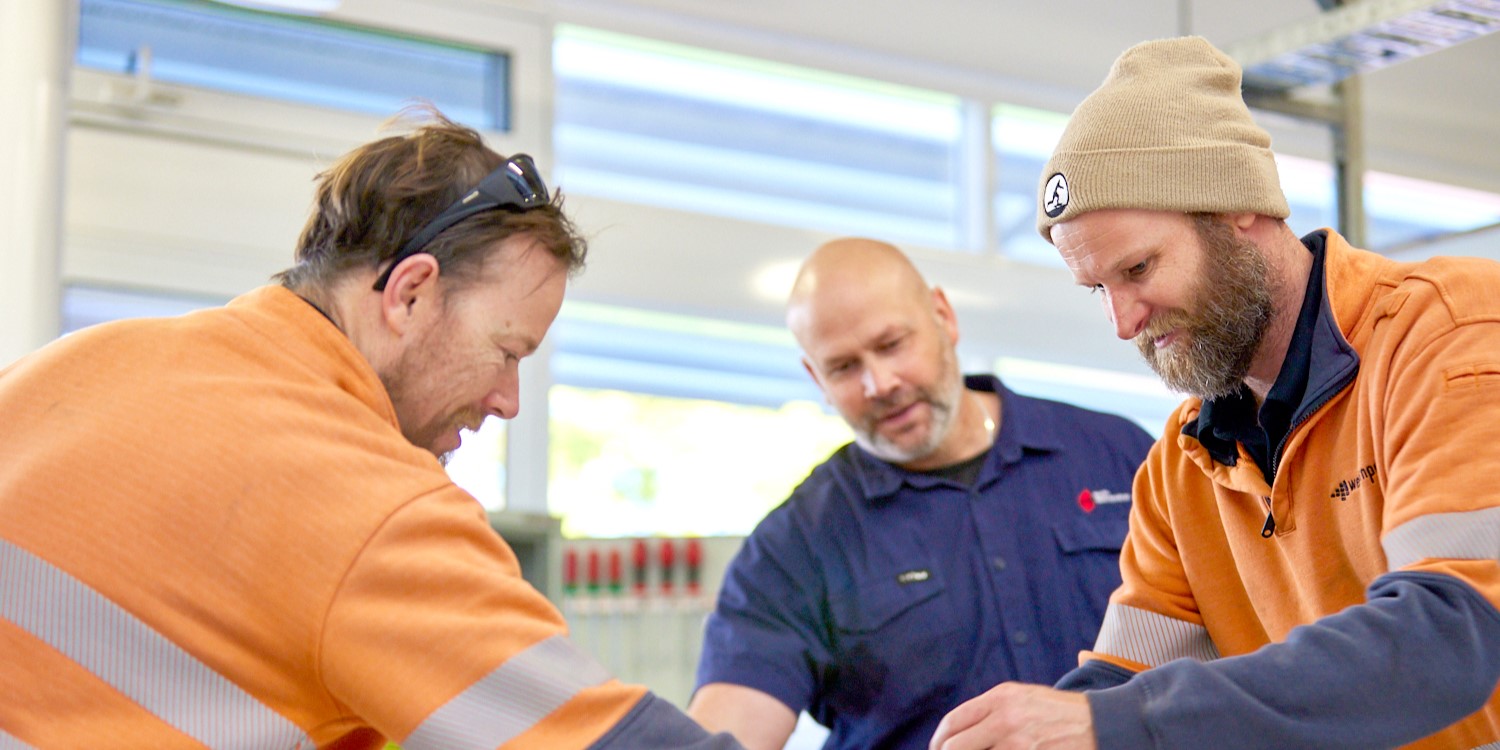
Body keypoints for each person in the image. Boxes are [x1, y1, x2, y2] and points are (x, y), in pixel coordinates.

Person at [0, 108, 740, 749]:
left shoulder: (70, 365)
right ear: (411, 293)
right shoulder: (369, 506)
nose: (508, 400)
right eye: (507, 352)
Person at [930, 36, 1500, 750]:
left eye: (1138, 267)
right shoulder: (1182, 464)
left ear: (1237, 207)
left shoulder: (1449, 335)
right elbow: (1123, 679)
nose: (1122, 322)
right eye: (1098, 289)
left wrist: (1119, 724)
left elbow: (1451, 640)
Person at [688, 238, 1155, 750]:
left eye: (891, 345)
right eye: (844, 367)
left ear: (943, 317)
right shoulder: (795, 546)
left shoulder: (1118, 453)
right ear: (815, 378)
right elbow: (727, 728)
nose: (880, 383)